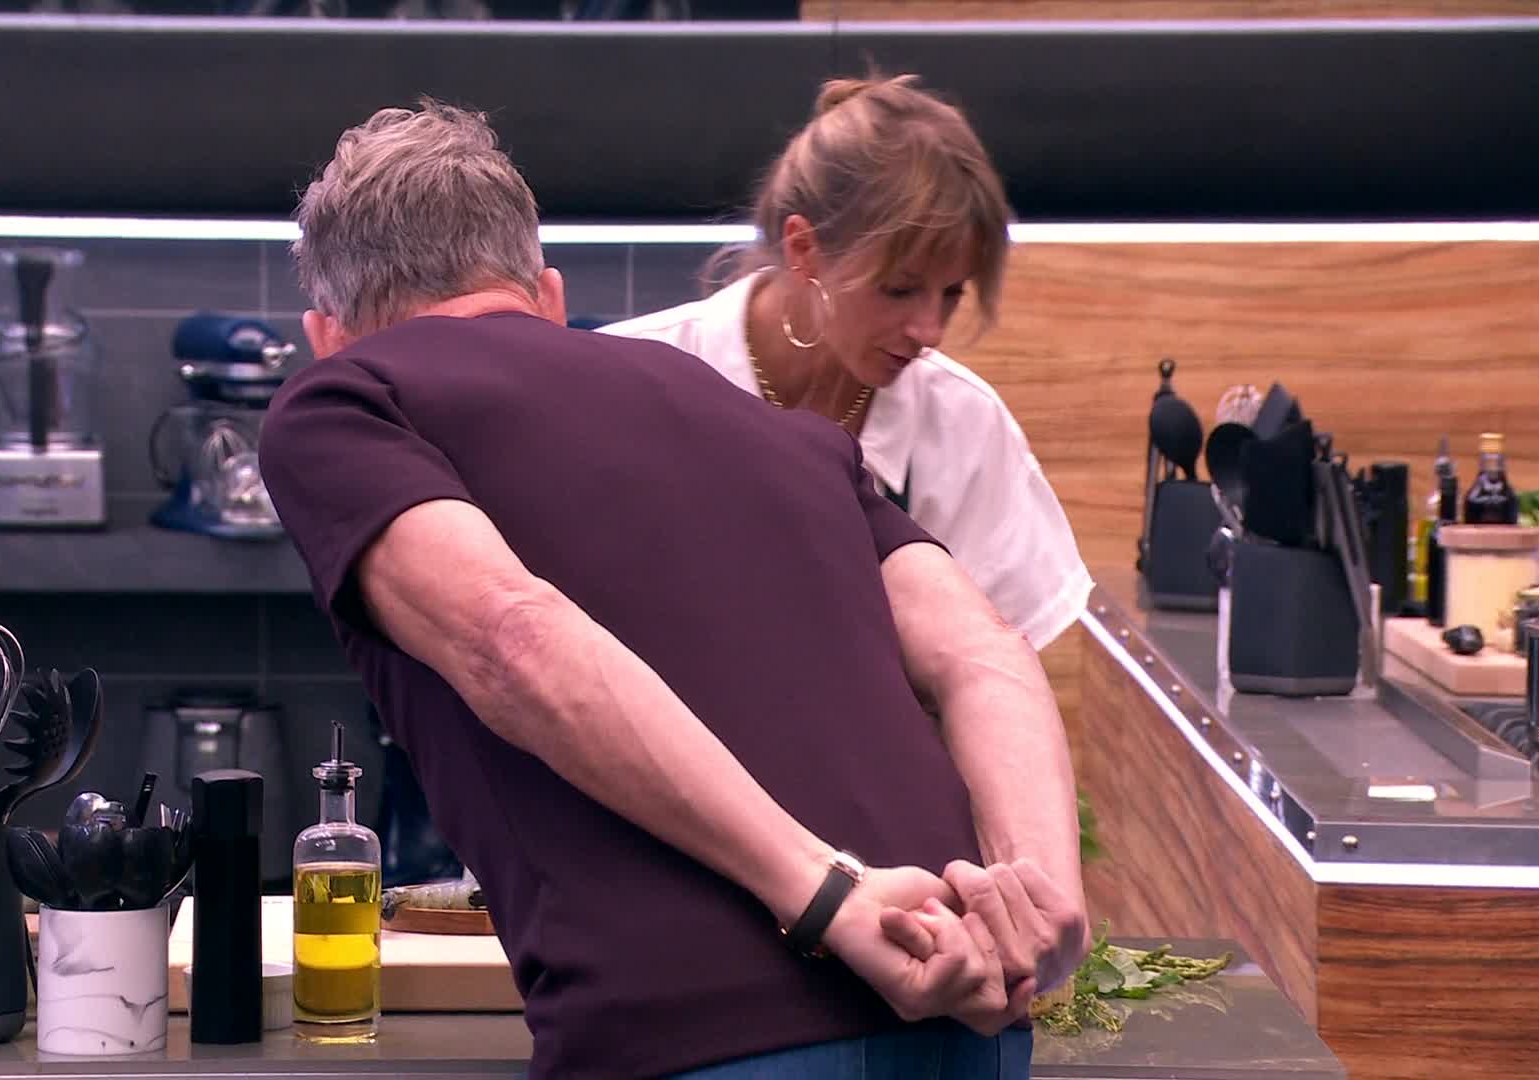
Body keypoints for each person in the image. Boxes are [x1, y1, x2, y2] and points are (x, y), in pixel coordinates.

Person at [257, 99, 1087, 1080]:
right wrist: (1039, 898)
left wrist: (830, 896)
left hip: (701, 1032)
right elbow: (984, 651)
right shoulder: (784, 432)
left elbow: (511, 636)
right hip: (969, 1014)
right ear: (548, 296)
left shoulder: (344, 402)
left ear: (326, 334)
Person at [599, 73, 1091, 652]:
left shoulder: (967, 428)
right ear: (804, 250)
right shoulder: (621, 383)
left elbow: (1002, 666)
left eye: (952, 293)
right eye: (899, 289)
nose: (929, 332)